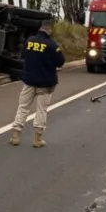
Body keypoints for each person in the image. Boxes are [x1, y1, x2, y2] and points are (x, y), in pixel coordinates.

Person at [9, 18, 65, 148]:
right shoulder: (52, 45)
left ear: (40, 28)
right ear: (50, 30)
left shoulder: (29, 41)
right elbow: (60, 61)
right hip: (45, 83)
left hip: (29, 80)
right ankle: (37, 139)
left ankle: (15, 135)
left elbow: (23, 55)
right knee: (41, 110)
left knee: (23, 107)